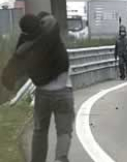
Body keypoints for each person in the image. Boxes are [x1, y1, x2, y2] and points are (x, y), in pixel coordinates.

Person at [3, 12, 74, 162]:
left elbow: (15, 63)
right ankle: (61, 159)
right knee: (64, 131)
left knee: (40, 131)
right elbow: (48, 19)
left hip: (42, 94)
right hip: (63, 91)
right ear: (39, 23)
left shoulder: (25, 44)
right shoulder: (52, 32)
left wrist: (8, 82)